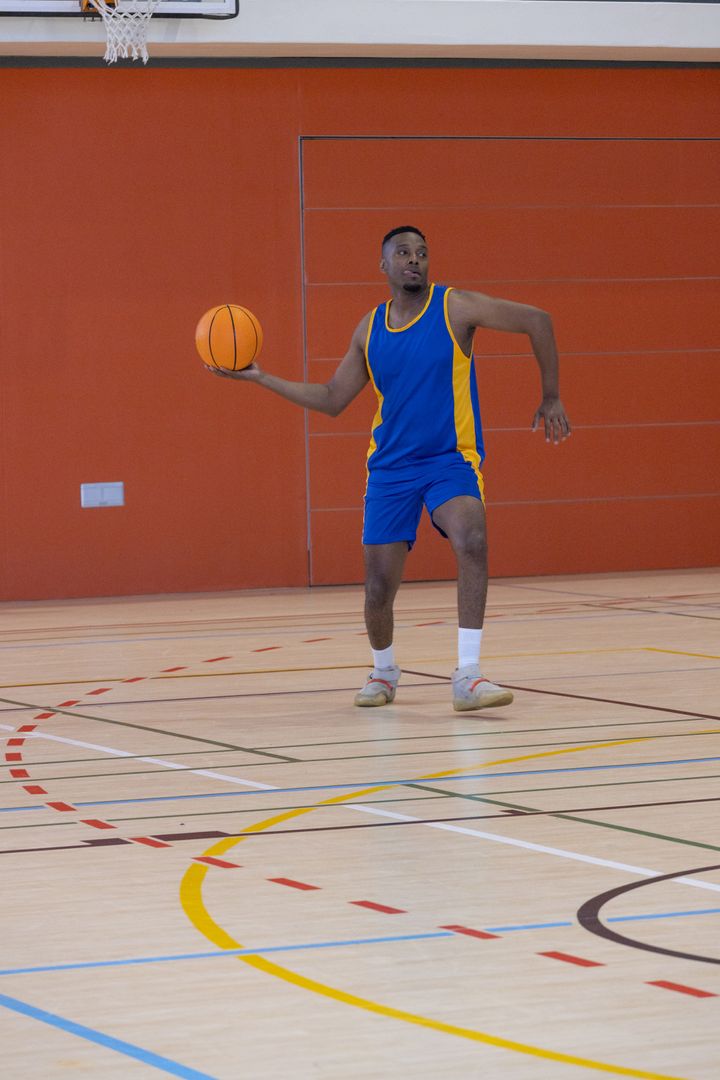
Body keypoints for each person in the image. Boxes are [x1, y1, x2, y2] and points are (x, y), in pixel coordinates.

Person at [207, 226, 571, 711]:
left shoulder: (455, 307)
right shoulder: (370, 329)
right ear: (384, 266)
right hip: (391, 470)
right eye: (403, 253)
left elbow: (538, 320)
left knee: (473, 537)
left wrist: (550, 396)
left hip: (449, 459)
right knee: (378, 588)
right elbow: (333, 398)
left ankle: (468, 674)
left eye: (422, 252)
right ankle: (384, 671)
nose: (415, 260)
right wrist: (261, 377)